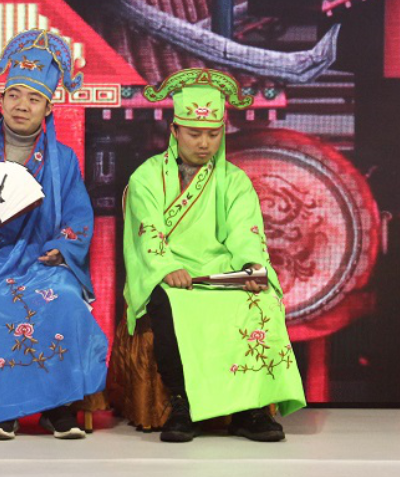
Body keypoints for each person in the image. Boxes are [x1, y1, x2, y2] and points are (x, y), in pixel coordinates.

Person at [0, 30, 107, 440]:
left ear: (48, 107)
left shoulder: (62, 160)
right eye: (14, 95)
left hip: (40, 257)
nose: (21, 105)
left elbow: (78, 214)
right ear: (0, 101)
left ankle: (58, 407)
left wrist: (62, 248)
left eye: (33, 98)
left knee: (63, 294)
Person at [123, 68, 306, 443]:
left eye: (213, 133)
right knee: (171, 305)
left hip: (222, 272)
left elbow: (245, 232)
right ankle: (182, 406)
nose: (204, 143)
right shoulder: (147, 176)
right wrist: (166, 267)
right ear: (174, 131)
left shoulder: (234, 180)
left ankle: (251, 410)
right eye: (194, 133)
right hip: (169, 272)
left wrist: (251, 267)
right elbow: (148, 232)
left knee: (262, 302)